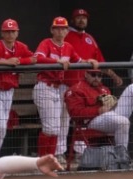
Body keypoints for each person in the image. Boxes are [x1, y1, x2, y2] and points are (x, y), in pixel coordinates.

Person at [59, 9, 123, 163]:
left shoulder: (89, 38)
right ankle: (59, 153)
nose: (81, 20)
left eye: (84, 18)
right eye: (78, 18)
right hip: (66, 85)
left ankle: (82, 154)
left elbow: (100, 61)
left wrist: (113, 75)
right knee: (62, 121)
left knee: (83, 120)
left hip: (84, 87)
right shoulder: (66, 35)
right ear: (72, 20)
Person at [32, 17, 99, 160]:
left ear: (67, 31)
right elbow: (37, 58)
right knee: (50, 127)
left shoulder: (68, 46)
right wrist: (57, 61)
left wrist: (89, 61)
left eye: (63, 29)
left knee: (56, 127)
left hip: (57, 89)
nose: (60, 31)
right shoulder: (46, 43)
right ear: (52, 30)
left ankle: (51, 158)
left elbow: (78, 60)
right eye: (57, 28)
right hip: (45, 86)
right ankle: (42, 160)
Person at [0, 19, 36, 165]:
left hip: (8, 90)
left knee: (1, 128)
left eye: (13, 31)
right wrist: (7, 61)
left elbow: (34, 58)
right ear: (2, 33)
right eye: (7, 31)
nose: (10, 34)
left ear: (17, 33)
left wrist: (19, 61)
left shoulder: (21, 46)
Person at [64, 69, 130, 157]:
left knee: (131, 88)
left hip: (109, 116)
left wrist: (113, 104)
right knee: (123, 122)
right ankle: (122, 156)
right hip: (90, 121)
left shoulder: (104, 89)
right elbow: (75, 113)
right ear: (86, 74)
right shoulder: (76, 89)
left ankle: (121, 155)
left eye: (99, 76)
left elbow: (110, 106)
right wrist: (98, 110)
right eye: (93, 75)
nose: (96, 78)